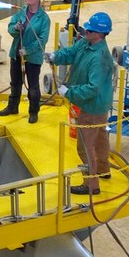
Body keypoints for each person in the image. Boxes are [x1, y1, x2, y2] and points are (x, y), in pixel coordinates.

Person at [46, 11, 114, 196]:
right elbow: (71, 52)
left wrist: (70, 92)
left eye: (90, 30)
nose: (86, 32)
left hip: (92, 106)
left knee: (85, 147)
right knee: (100, 138)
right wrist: (55, 56)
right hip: (99, 104)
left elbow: (93, 88)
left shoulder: (99, 58)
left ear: (99, 34)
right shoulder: (86, 43)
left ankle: (91, 186)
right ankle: (103, 170)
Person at [0, 0, 50, 123]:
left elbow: (42, 40)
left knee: (33, 86)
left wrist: (27, 50)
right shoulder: (20, 12)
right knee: (15, 82)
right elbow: (10, 28)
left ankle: (33, 112)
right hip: (16, 55)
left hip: (33, 58)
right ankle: (12, 107)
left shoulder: (44, 19)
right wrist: (15, 29)